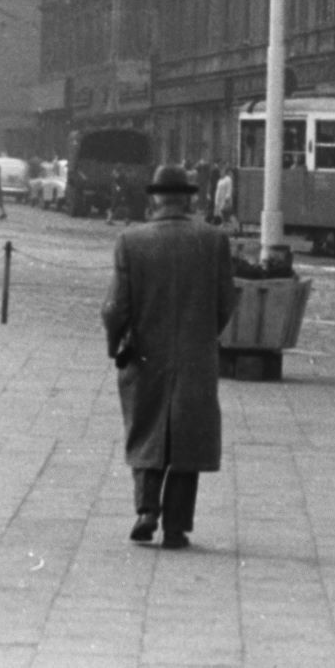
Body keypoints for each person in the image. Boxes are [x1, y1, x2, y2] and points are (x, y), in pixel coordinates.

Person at [100, 166, 239, 550]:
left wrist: (116, 344)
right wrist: (203, 334)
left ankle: (146, 511)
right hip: (195, 355)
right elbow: (227, 302)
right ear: (189, 198)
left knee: (146, 426)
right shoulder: (213, 240)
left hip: (145, 352)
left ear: (155, 198)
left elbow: (114, 308)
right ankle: (177, 526)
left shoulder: (130, 240)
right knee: (188, 438)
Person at [211, 165, 236, 232]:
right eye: (220, 172)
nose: (221, 173)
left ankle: (232, 228)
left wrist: (227, 198)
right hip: (219, 199)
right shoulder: (219, 180)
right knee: (220, 214)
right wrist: (216, 201)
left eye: (222, 171)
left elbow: (229, 189)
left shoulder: (228, 179)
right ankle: (223, 226)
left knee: (226, 214)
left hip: (225, 199)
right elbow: (217, 190)